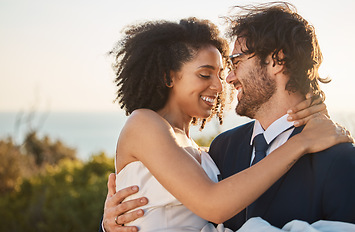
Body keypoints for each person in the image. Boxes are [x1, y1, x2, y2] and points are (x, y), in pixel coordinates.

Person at [98, 15, 353, 232]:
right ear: (168, 76)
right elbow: (213, 205)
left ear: (278, 61)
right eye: (205, 74)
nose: (222, 84)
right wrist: (303, 142)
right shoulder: (145, 123)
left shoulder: (210, 152)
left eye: (224, 70)